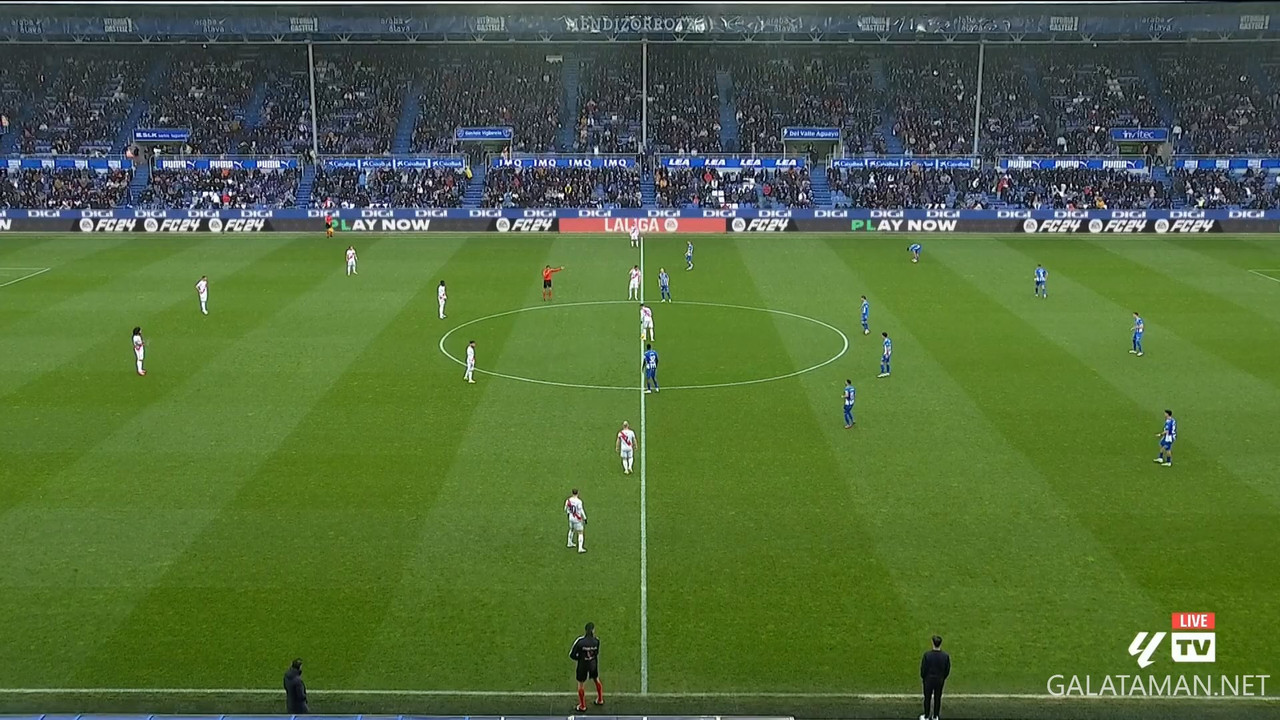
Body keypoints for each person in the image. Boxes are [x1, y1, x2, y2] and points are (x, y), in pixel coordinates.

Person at [569, 622, 603, 711]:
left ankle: (582, 706)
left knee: (580, 684)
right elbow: (596, 653)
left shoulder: (580, 642)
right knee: (596, 679)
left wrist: (580, 658)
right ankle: (600, 699)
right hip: (593, 663)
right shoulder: (596, 641)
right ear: (593, 630)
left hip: (582, 665)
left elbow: (572, 655)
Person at [920, 635, 950, 720]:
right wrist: (943, 677)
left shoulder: (927, 655)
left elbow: (923, 669)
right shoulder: (945, 656)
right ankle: (935, 716)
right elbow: (947, 669)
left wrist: (924, 677)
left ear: (932, 643)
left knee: (927, 698)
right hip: (939, 680)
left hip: (928, 680)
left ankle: (926, 716)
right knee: (938, 698)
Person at [565, 488, 586, 553]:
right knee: (580, 532)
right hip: (577, 519)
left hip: (571, 518)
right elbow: (581, 510)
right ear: (578, 493)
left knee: (571, 529)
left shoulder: (568, 500)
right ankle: (580, 548)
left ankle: (569, 543)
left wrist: (569, 514)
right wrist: (584, 518)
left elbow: (566, 509)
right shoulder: (579, 501)